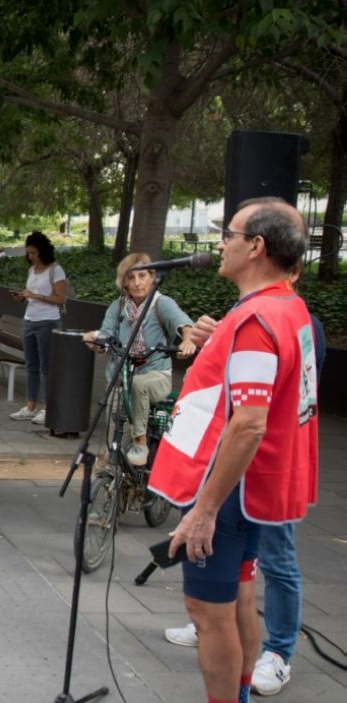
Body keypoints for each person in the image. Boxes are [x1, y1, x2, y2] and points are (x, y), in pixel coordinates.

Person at [148, 198, 319, 703]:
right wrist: (223, 334)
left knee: (208, 613)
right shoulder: (283, 306)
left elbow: (248, 424)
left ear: (256, 247)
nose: (221, 244)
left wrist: (203, 511)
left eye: (230, 235)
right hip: (251, 488)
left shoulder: (256, 321)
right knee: (241, 592)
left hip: (226, 491)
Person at [81, 252, 196, 465]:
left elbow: (184, 323)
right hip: (121, 380)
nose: (137, 283)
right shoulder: (118, 306)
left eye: (142, 276)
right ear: (123, 281)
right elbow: (106, 334)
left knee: (139, 384)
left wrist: (188, 340)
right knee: (112, 443)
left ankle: (140, 442)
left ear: (152, 277)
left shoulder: (162, 303)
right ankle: (113, 476)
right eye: (131, 277)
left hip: (155, 376)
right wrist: (95, 341)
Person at [9, 231, 67, 425]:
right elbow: (30, 294)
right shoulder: (31, 270)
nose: (31, 256)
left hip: (48, 321)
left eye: (34, 253)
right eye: (28, 253)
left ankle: (46, 408)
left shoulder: (56, 270)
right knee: (31, 365)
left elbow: (61, 298)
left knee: (46, 366)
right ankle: (30, 406)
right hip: (29, 320)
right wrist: (23, 297)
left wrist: (34, 295)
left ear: (43, 251)